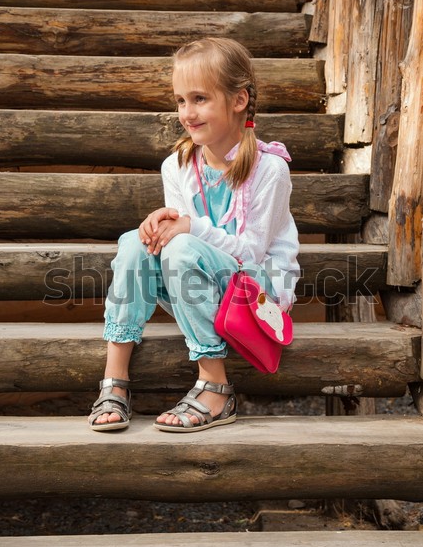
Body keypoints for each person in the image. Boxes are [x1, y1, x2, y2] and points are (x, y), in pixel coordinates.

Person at [88, 37, 300, 433]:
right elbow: (176, 240)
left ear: (239, 100)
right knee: (136, 240)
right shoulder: (179, 164)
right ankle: (115, 379)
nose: (187, 112)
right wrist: (160, 224)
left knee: (183, 245)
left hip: (255, 293)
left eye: (200, 98)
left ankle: (215, 385)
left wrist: (187, 228)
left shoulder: (270, 170)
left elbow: (251, 252)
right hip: (198, 281)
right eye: (180, 100)